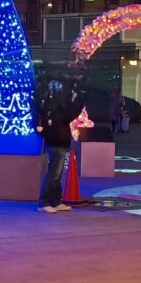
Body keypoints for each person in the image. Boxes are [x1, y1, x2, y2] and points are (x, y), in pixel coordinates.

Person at [37, 80, 84, 213]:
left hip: (57, 140)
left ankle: (55, 201)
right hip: (56, 140)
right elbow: (67, 115)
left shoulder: (50, 102)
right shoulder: (54, 105)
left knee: (57, 173)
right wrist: (77, 102)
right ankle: (44, 201)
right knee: (54, 173)